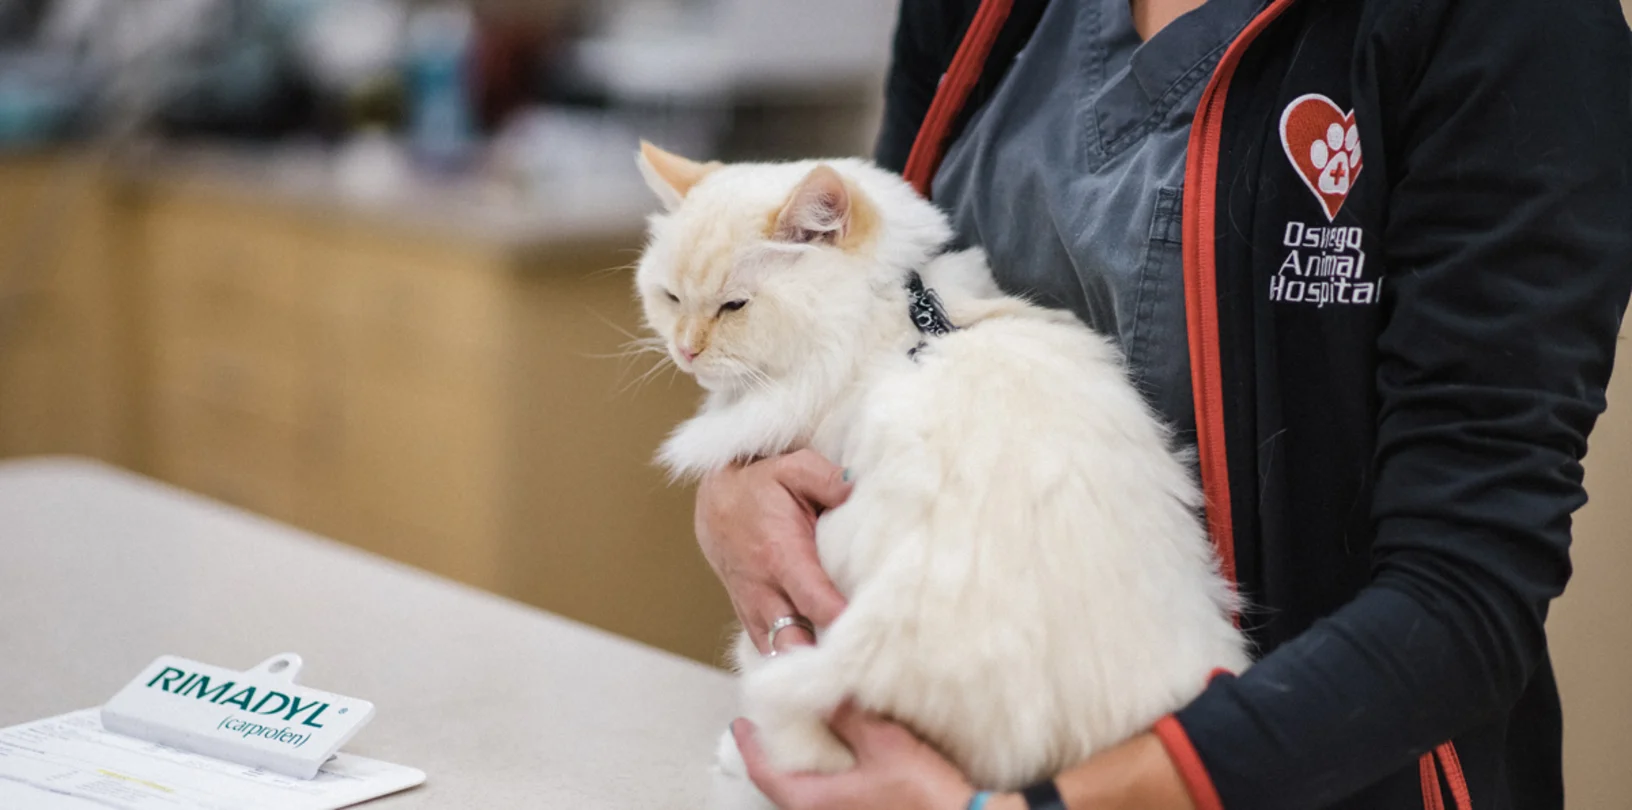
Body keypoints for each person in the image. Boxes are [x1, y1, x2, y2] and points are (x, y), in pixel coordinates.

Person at [704, 0, 1632, 808]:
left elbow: (1462, 600)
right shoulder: (982, 12)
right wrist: (746, 480)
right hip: (952, 745)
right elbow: (876, 303)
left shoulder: (1515, 26)